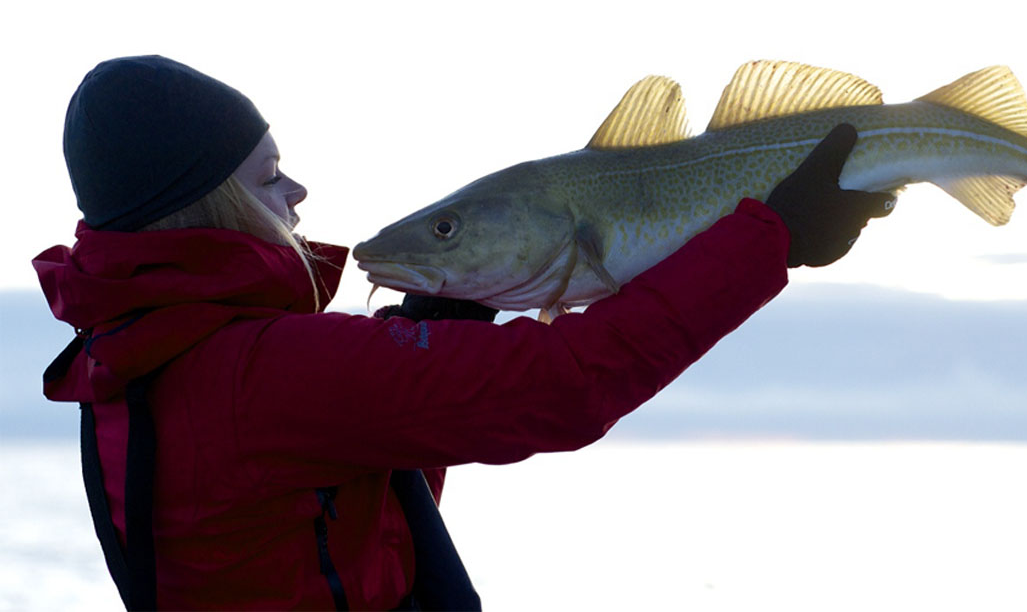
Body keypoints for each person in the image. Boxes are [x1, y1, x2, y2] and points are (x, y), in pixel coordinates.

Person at [34, 55, 894, 611]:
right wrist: (767, 239)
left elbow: (344, 524)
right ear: (215, 205)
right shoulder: (264, 372)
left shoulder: (135, 362)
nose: (298, 193)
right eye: (268, 177)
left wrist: (441, 329)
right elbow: (564, 384)